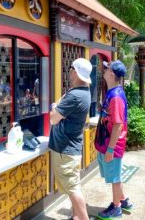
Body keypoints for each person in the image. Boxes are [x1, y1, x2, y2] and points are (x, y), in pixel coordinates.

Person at [48, 58, 92, 220]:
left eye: (71, 68)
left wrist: (54, 107)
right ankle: (76, 216)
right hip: (71, 148)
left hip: (65, 151)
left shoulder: (74, 96)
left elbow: (53, 119)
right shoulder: (84, 92)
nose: (69, 71)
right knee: (74, 186)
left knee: (73, 189)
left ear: (75, 71)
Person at [94, 60, 132, 219]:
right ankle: (123, 201)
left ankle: (116, 207)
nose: (104, 69)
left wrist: (110, 149)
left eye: (107, 68)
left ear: (111, 74)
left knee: (114, 178)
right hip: (107, 142)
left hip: (112, 145)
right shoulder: (113, 92)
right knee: (114, 175)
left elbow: (117, 125)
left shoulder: (115, 96)